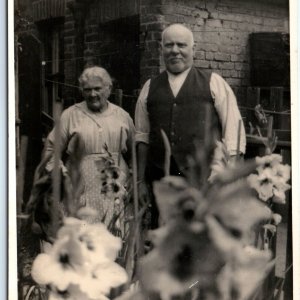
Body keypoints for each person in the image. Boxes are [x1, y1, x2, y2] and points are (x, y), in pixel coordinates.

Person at [135, 23, 246, 226]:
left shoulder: (214, 83)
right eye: (169, 45)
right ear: (161, 50)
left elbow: (233, 134)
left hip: (205, 181)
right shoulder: (149, 88)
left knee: (201, 239)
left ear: (193, 49)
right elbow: (142, 137)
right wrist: (141, 181)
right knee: (165, 241)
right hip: (162, 182)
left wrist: (225, 176)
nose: (175, 51)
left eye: (181, 45)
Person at [43, 66, 135, 236]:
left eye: (97, 89)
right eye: (87, 90)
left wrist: (129, 179)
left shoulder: (122, 116)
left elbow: (134, 153)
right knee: (83, 240)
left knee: (113, 238)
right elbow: (51, 151)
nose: (92, 94)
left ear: (109, 89)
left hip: (114, 189)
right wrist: (64, 178)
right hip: (80, 189)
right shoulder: (70, 115)